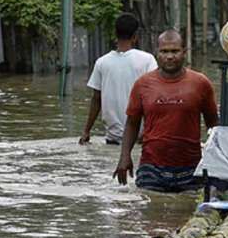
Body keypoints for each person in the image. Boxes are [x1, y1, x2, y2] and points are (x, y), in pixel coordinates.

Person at [113, 29, 219, 192]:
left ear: (184, 52)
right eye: (164, 51)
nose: (169, 56)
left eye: (175, 51)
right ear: (157, 53)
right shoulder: (143, 84)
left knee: (187, 213)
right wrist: (124, 156)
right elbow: (132, 123)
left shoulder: (200, 83)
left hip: (191, 168)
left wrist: (218, 161)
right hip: (151, 167)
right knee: (150, 212)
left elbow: (214, 124)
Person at [79, 13, 157, 145]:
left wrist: (86, 131)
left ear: (115, 34)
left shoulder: (102, 62)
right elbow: (155, 97)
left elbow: (96, 100)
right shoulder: (147, 60)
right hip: (140, 139)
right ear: (135, 37)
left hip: (112, 139)